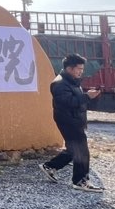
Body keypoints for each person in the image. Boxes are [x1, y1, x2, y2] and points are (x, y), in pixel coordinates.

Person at [40, 53, 103, 192]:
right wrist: (87, 96)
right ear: (69, 68)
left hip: (74, 119)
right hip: (68, 121)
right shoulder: (59, 83)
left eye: (82, 69)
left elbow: (77, 101)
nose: (81, 71)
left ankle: (50, 166)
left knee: (73, 149)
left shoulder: (72, 81)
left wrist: (90, 97)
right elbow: (68, 102)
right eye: (79, 69)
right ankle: (80, 181)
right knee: (81, 151)